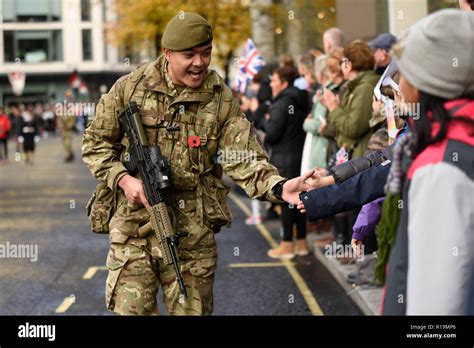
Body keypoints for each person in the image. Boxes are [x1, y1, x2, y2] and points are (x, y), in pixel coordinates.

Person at [82, 12, 315, 316]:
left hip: (192, 235)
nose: (200, 63)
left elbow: (243, 157)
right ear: (167, 54)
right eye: (189, 55)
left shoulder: (219, 99)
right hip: (133, 229)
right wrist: (124, 180)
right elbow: (94, 144)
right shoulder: (130, 88)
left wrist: (279, 186)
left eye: (206, 54)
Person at [381, 9, 474, 315]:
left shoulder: (441, 167)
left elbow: (436, 304)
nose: (399, 83)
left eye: (404, 71)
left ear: (424, 82)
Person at [264, 66, 310, 259]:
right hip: (300, 155)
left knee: (286, 201)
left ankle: (286, 245)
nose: (271, 84)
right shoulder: (302, 98)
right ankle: (301, 242)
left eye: (273, 79)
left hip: (284, 157)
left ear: (283, 82)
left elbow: (272, 135)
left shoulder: (281, 104)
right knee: (300, 200)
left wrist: (266, 121)